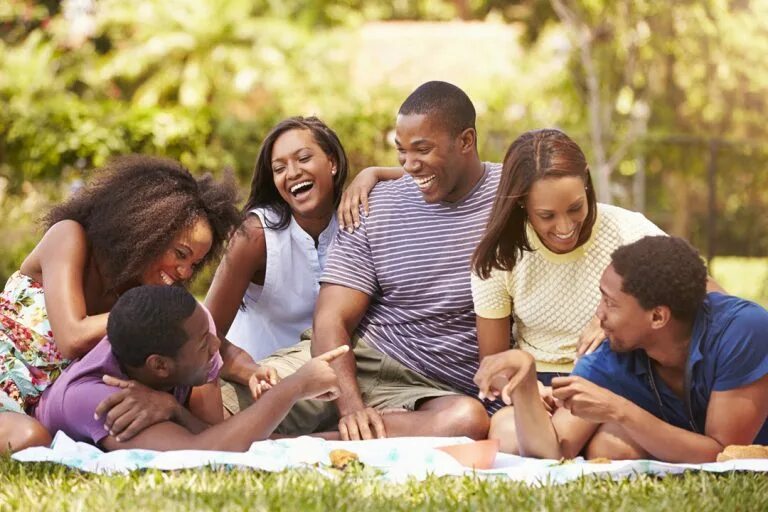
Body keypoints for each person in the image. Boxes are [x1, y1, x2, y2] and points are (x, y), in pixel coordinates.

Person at [251, 81, 502, 441]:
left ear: (465, 142)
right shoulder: (374, 204)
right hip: (357, 359)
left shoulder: (511, 195)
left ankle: (299, 445)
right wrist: (352, 406)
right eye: (400, 151)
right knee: (219, 401)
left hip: (436, 392)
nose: (409, 165)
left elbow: (576, 206)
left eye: (422, 149)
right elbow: (331, 317)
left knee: (467, 421)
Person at [0, 155, 244, 453]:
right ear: (147, 230)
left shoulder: (143, 283)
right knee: (29, 439)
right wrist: (140, 309)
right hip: (6, 384)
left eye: (195, 263)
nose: (185, 272)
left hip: (49, 408)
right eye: (180, 254)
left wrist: (243, 370)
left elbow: (199, 342)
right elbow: (72, 338)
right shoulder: (69, 237)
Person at [474, 236, 768, 463]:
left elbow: (724, 454)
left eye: (611, 304)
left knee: (610, 442)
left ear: (657, 317)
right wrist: (525, 378)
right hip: (680, 442)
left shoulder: (742, 330)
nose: (598, 316)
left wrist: (619, 411)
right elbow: (554, 450)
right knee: (605, 444)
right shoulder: (613, 353)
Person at [34, 285, 347, 451]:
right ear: (159, 366)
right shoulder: (98, 399)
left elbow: (218, 434)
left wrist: (174, 408)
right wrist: (294, 387)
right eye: (203, 343)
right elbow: (204, 452)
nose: (217, 346)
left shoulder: (192, 336)